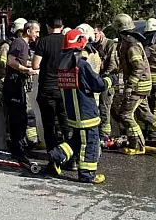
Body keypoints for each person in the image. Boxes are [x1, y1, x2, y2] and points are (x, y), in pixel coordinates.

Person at [48, 29, 117, 184]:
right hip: (86, 112)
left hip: (73, 111)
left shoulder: (63, 63)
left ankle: (57, 156)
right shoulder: (81, 64)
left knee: (78, 140)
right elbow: (98, 85)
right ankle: (87, 174)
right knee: (90, 143)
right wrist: (111, 79)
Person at [110, 13, 156, 154]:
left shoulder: (132, 46)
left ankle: (137, 146)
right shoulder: (127, 43)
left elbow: (139, 67)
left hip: (138, 87)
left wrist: (130, 86)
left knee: (126, 115)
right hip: (143, 85)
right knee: (145, 114)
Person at [3, 21, 40, 164]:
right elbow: (11, 61)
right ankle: (16, 150)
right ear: (28, 30)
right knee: (17, 118)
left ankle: (19, 147)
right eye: (36, 32)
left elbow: (20, 62)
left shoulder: (24, 45)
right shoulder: (19, 42)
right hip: (13, 86)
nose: (38, 35)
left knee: (22, 117)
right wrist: (26, 70)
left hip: (18, 86)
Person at [32, 16, 69, 155]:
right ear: (62, 26)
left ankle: (53, 158)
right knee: (66, 124)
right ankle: (71, 157)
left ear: (48, 26)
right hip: (64, 88)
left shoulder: (44, 41)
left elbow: (35, 65)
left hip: (47, 88)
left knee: (49, 124)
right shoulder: (67, 41)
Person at [93, 25, 118, 144]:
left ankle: (105, 134)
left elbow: (113, 65)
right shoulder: (93, 45)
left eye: (95, 34)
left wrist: (103, 78)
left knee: (105, 107)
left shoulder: (110, 45)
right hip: (97, 80)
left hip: (107, 80)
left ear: (101, 33)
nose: (93, 37)